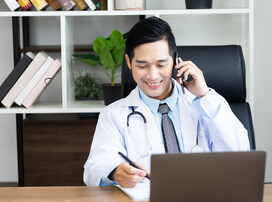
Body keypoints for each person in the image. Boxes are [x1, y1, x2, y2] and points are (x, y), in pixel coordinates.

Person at [83, 17, 250, 187]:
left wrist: (204, 96)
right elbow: (94, 169)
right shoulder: (113, 115)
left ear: (176, 61)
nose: (152, 75)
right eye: (142, 65)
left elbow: (240, 153)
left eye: (161, 65)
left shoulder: (205, 104)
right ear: (128, 62)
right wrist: (115, 173)